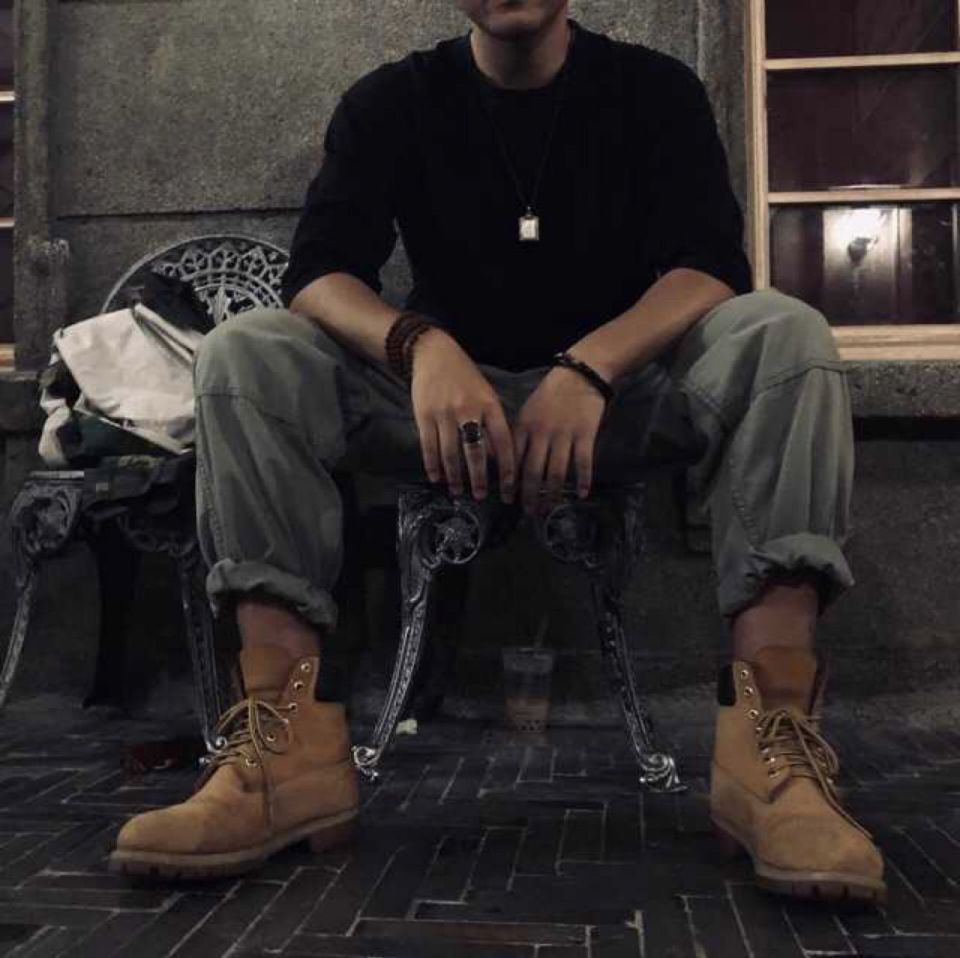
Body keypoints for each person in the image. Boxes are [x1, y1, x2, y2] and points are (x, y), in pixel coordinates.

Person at [110, 0, 885, 901]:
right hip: (442, 407)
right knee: (248, 353)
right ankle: (282, 760)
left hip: (617, 399)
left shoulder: (652, 90)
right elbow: (318, 273)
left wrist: (590, 368)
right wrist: (420, 346)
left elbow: (709, 267)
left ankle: (771, 754)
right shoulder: (393, 100)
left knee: (786, 335)